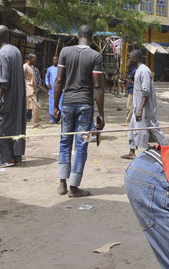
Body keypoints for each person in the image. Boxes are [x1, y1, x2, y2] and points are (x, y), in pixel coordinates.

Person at [53, 25, 105, 198]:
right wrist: (101, 113)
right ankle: (74, 187)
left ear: (78, 36)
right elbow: (97, 86)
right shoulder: (95, 56)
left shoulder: (65, 52)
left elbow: (59, 80)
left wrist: (55, 106)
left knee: (65, 142)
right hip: (85, 105)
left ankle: (62, 183)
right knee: (81, 145)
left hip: (67, 104)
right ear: (91, 38)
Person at [0, 25, 26, 168]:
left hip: (6, 98)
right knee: (15, 126)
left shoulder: (2, 53)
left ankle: (6, 159)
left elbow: (4, 80)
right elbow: (9, 67)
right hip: (18, 97)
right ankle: (17, 158)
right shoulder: (15, 51)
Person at [122, 50, 168, 160]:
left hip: (146, 109)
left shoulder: (144, 71)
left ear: (135, 59)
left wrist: (141, 109)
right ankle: (131, 151)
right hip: (138, 107)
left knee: (154, 128)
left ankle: (167, 149)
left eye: (129, 58)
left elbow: (146, 91)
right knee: (132, 128)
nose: (128, 60)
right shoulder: (138, 71)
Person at [23, 53, 41, 129]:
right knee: (35, 106)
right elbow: (22, 79)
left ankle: (19, 121)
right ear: (30, 59)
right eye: (34, 59)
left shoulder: (32, 67)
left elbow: (33, 79)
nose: (35, 60)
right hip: (28, 89)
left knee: (27, 107)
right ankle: (36, 124)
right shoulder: (25, 67)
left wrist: (38, 86)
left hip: (33, 89)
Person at [45, 56, 60, 124]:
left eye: (56, 59)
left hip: (60, 90)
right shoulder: (49, 69)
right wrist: (47, 83)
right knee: (51, 104)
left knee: (60, 104)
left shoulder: (61, 68)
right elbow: (47, 77)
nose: (55, 61)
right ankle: (52, 118)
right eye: (54, 59)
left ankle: (59, 117)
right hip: (52, 90)